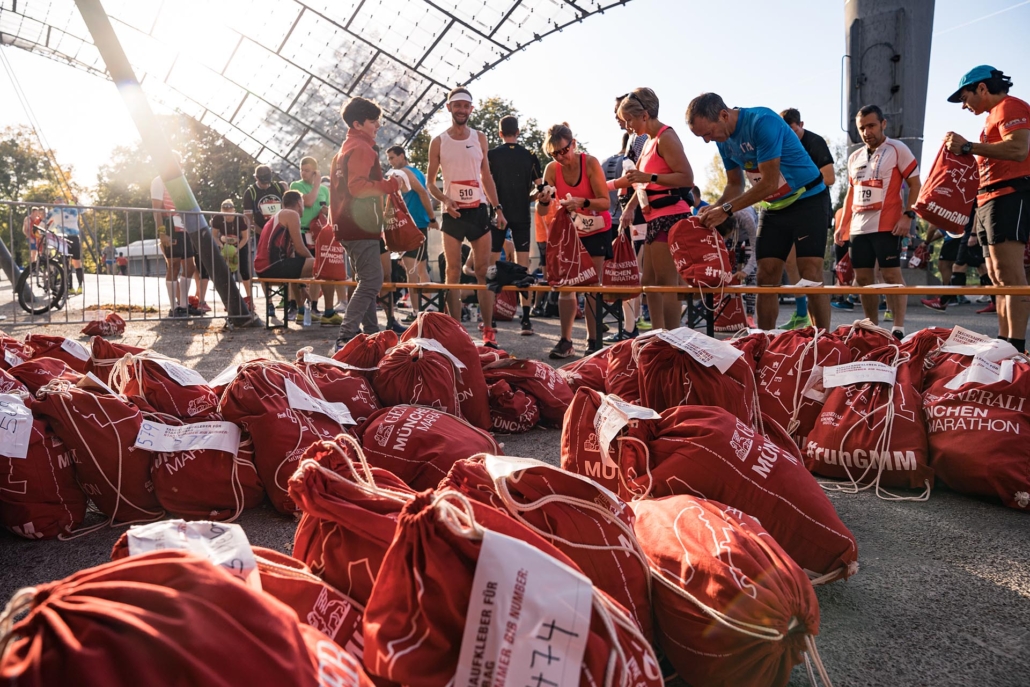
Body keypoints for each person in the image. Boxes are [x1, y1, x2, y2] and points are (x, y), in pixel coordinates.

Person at [687, 92, 831, 330]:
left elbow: (768, 182)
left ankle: (824, 341)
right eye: (701, 136)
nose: (707, 141)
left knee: (810, 274)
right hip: (774, 206)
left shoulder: (762, 121)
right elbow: (735, 185)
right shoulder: (723, 140)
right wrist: (713, 208)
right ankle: (765, 342)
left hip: (808, 199)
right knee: (766, 277)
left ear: (723, 115)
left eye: (708, 133)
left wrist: (726, 210)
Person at [945, 66, 1030, 352]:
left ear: (982, 88)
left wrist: (969, 147)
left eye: (964, 97)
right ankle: (1004, 342)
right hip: (988, 199)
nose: (964, 105)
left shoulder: (1009, 106)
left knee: (1010, 274)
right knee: (995, 274)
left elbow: (1018, 149)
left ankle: (1015, 347)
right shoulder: (992, 117)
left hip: (1009, 194)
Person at [426, 87, 506, 348]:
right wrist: (444, 199)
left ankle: (488, 330)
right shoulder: (438, 141)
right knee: (452, 272)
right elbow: (430, 183)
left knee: (484, 272)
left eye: (466, 106)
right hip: (452, 212)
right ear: (449, 108)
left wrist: (498, 208)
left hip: (478, 210)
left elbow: (487, 177)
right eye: (456, 105)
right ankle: (456, 331)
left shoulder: (480, 137)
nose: (461, 110)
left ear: (471, 109)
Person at [612, 88, 694, 331]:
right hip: (654, 216)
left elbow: (687, 177)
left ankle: (671, 336)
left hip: (670, 215)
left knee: (665, 284)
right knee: (649, 281)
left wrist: (650, 176)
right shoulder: (646, 141)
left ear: (644, 115)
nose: (628, 127)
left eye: (629, 120)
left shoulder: (665, 136)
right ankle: (660, 333)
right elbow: (639, 182)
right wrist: (629, 207)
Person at [835, 104, 920, 337]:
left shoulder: (897, 148)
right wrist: (843, 225)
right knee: (863, 279)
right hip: (859, 227)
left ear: (883, 124)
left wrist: (908, 215)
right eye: (862, 128)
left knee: (892, 276)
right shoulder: (854, 156)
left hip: (888, 225)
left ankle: (898, 328)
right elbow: (851, 195)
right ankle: (871, 327)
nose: (866, 132)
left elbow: (915, 185)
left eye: (871, 126)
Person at [330, 96, 400, 349]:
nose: (378, 125)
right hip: (361, 225)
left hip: (346, 224)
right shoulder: (362, 148)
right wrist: (391, 185)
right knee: (372, 281)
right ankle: (346, 337)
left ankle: (371, 335)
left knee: (366, 281)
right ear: (358, 124)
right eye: (373, 121)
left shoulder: (344, 149)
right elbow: (358, 187)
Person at [537, 123, 612, 358]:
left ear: (573, 144)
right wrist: (542, 200)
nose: (561, 157)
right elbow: (541, 211)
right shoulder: (551, 169)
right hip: (572, 233)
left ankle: (593, 341)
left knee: (592, 286)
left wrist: (582, 202)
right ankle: (566, 340)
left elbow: (605, 202)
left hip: (597, 227)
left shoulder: (590, 163)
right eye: (554, 153)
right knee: (566, 286)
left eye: (564, 151)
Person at [780, 108, 836, 330]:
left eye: (793, 130)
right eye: (786, 131)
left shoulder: (815, 141)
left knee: (812, 271)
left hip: (814, 208)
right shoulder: (781, 142)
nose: (790, 136)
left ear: (800, 124)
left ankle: (822, 330)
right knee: (790, 263)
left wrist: (798, 185)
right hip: (789, 210)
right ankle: (802, 314)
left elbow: (830, 177)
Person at [488, 115, 543, 335]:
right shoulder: (530, 155)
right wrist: (525, 197)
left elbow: (486, 185)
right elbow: (541, 189)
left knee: (492, 265)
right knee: (523, 266)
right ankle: (526, 320)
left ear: (500, 133)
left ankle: (490, 320)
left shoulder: (491, 155)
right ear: (518, 132)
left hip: (498, 215)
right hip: (521, 214)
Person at [386, 145, 437, 322]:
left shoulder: (404, 173)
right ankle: (427, 309)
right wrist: (429, 218)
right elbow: (424, 194)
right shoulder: (418, 172)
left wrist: (431, 217)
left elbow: (423, 193)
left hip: (412, 225)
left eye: (392, 158)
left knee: (411, 269)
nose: (391, 162)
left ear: (402, 156)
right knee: (422, 268)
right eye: (389, 159)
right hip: (418, 223)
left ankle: (417, 312)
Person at [151, 158, 202, 318]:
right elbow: (157, 209)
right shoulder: (159, 180)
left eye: (179, 162)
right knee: (173, 265)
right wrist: (162, 232)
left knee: (190, 266)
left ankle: (184, 304)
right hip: (170, 226)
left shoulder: (181, 181)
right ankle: (174, 307)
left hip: (185, 227)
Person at [243, 164, 290, 317]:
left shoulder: (278, 187)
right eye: (262, 182)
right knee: (264, 268)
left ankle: (287, 299)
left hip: (282, 234)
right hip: (262, 235)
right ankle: (269, 303)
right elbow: (248, 221)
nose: (265, 184)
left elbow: (288, 209)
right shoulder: (250, 193)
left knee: (286, 264)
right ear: (256, 178)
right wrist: (265, 232)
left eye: (267, 181)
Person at [254, 190, 313, 290]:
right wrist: (313, 261)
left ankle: (299, 305)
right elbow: (300, 248)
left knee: (297, 269)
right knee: (320, 265)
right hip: (272, 266)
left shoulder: (276, 216)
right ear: (299, 203)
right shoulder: (291, 214)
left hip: (262, 268)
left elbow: (293, 255)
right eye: (303, 203)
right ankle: (328, 303)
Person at [210, 198, 253, 309]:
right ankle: (230, 300)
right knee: (227, 272)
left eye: (229, 212)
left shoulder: (240, 219)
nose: (227, 215)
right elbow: (214, 235)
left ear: (234, 210)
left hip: (240, 244)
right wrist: (221, 245)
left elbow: (245, 237)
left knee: (244, 270)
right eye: (225, 212)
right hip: (225, 246)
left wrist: (237, 249)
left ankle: (249, 298)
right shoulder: (217, 218)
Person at [46, 198, 85, 295]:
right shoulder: (72, 209)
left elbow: (44, 223)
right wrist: (77, 202)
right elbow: (84, 210)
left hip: (63, 238)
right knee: (75, 263)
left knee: (67, 263)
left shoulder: (54, 211)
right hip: (72, 237)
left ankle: (72, 287)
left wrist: (41, 233)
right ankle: (77, 287)